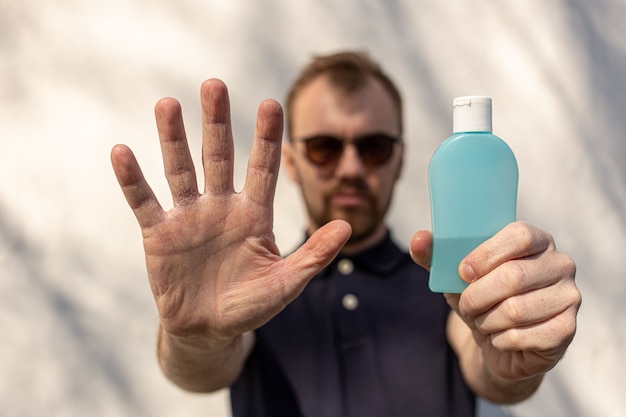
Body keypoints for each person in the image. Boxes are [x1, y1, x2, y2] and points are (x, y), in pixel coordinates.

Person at [111, 51, 581, 417]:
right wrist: (196, 336)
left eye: (374, 146)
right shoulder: (250, 288)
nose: (351, 168)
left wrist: (516, 347)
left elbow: (491, 365)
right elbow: (202, 370)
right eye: (324, 147)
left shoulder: (447, 281)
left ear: (400, 159)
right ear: (291, 162)